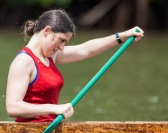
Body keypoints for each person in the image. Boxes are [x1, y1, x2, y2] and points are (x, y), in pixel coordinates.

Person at [6, 9, 144, 122]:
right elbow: (13, 107)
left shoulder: (50, 56)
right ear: (47, 31)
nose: (61, 47)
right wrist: (54, 108)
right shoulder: (24, 61)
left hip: (50, 129)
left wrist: (122, 36)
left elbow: (85, 49)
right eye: (61, 40)